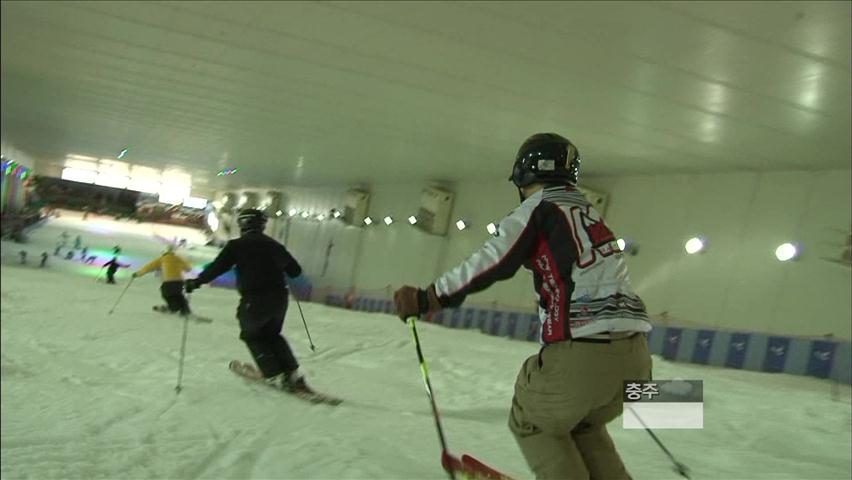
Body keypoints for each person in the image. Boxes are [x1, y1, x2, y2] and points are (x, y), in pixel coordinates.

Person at [393, 133, 652, 480]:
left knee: (531, 419)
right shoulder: (587, 211)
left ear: (522, 173)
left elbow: (493, 260)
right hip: (636, 362)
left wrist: (427, 297)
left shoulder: (540, 208)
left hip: (582, 354)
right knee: (581, 426)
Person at [185, 209, 313, 394]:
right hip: (279, 299)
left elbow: (217, 268)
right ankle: (292, 374)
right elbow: (295, 271)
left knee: (252, 335)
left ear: (242, 224)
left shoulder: (237, 246)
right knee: (273, 335)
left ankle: (274, 374)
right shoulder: (274, 245)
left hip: (255, 299)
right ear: (262, 225)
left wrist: (196, 282)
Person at [132, 245, 193, 316]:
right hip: (179, 281)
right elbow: (188, 269)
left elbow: (148, 267)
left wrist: (137, 274)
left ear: (164, 252)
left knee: (166, 294)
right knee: (178, 295)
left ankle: (173, 307)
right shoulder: (178, 258)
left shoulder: (162, 259)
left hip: (169, 281)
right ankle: (185, 309)